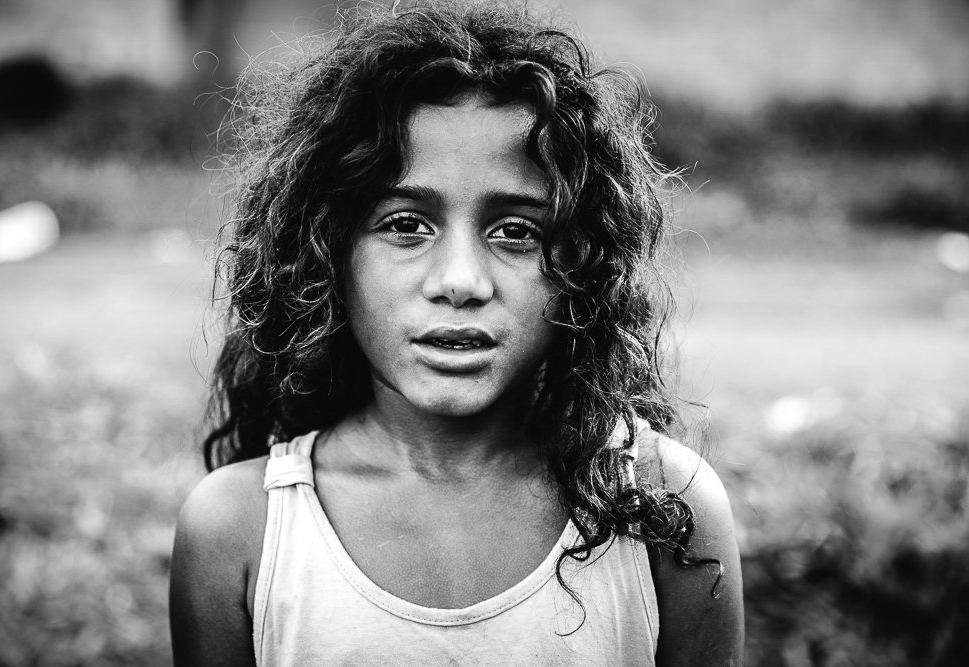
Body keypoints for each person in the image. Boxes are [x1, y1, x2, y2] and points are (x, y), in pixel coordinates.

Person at [169, 2, 744, 665]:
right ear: (328, 250)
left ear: (582, 262)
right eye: (406, 223)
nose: (461, 280)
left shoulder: (664, 510)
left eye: (517, 231)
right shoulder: (242, 533)